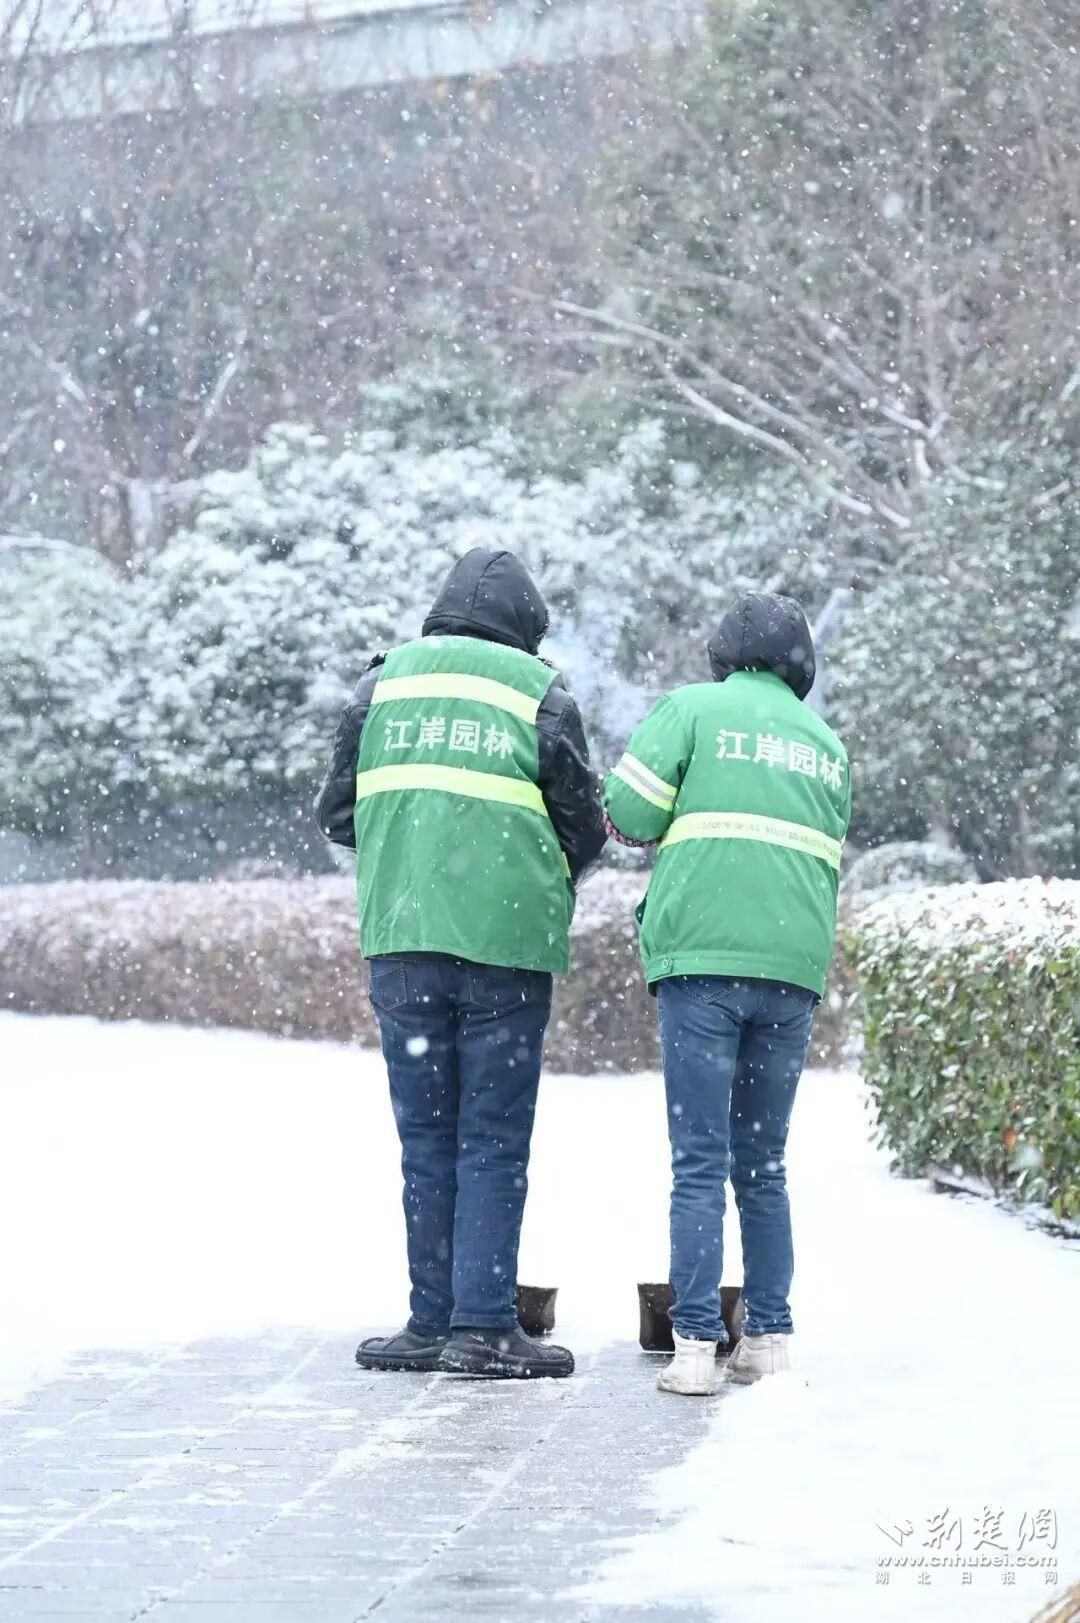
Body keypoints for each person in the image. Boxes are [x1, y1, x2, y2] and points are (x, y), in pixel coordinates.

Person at [316, 547, 605, 1379]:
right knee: (492, 1134)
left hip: (404, 939)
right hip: (506, 946)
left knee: (427, 1136)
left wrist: (415, 848)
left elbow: (336, 813)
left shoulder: (381, 687)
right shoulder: (539, 694)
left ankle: (430, 1319)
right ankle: (482, 1325)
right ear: (525, 628)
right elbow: (584, 827)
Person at [604, 593, 851, 1395]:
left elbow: (627, 812)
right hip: (791, 970)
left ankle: (695, 1348)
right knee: (763, 1162)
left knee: (700, 1159)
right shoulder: (826, 745)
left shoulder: (692, 710)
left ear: (724, 653)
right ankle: (769, 1336)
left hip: (702, 964)